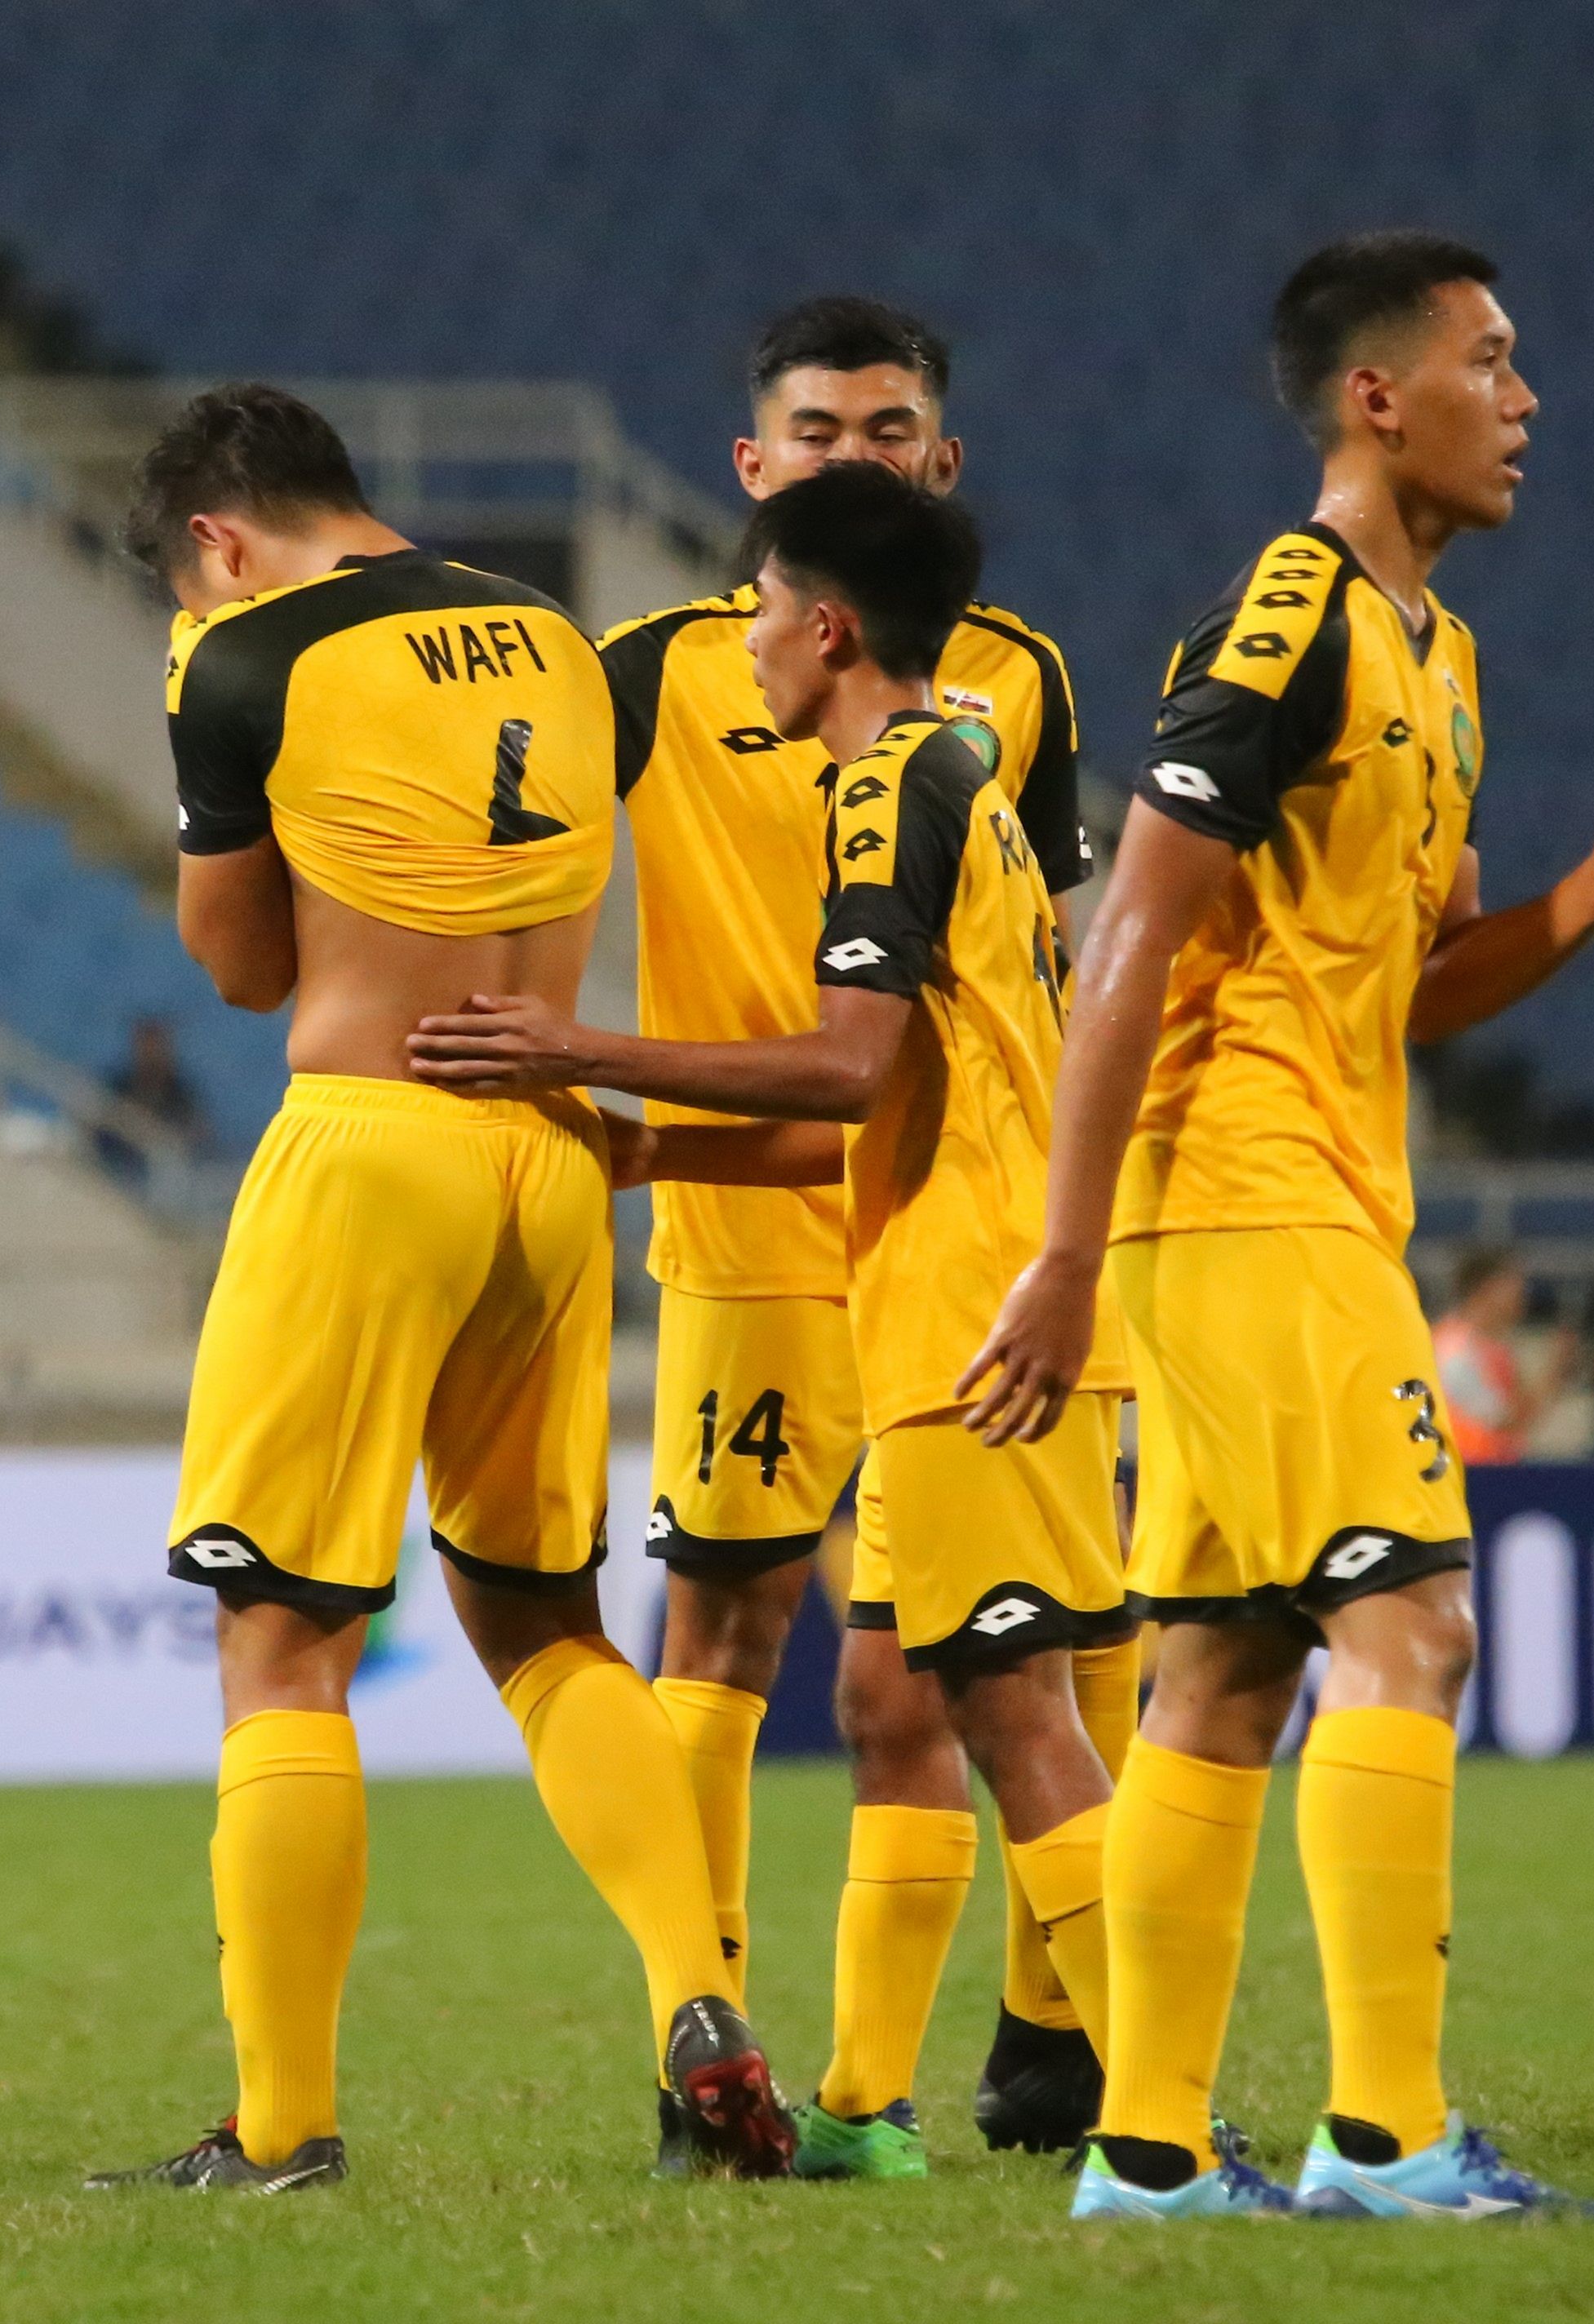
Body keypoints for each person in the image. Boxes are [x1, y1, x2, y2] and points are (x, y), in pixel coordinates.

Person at [959, 231, 1594, 2222]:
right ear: (1378, 398)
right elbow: (1129, 930)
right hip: (1245, 1195)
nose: (1525, 398)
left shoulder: (1439, 659)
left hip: (1285, 1195)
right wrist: (1061, 1253)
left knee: (1226, 1671)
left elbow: (1402, 987)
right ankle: (1387, 2131)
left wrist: (1567, 908)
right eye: (1491, 358)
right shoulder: (1289, 612)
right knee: (1416, 1623)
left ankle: (1148, 2153)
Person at [83, 385, 788, 2195]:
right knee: (549, 1626)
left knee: (281, 1639)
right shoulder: (551, 630)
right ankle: (696, 1994)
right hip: (548, 1156)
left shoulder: (242, 653)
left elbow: (241, 967)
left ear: (217, 540)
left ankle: (280, 2127)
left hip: (370, 1138)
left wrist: (211, 701)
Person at [413, 466, 1130, 2185]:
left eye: (759, 612)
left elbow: (845, 1066)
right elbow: (884, 1110)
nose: (742, 645)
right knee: (946, 1697)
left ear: (826, 624)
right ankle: (887, 2110)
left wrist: (579, 1048)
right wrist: (658, 1148)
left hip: (964, 1309)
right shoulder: (962, 779)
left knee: (1017, 1712)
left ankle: (1170, 2110)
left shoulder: (884, 792)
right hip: (970, 1288)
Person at [590, 296, 1122, 2169]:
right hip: (757, 1232)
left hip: (939, 1229)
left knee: (985, 1665)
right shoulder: (656, 669)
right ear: (753, 467)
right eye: (816, 432)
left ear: (941, 461)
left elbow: (1037, 964)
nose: (852, 456)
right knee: (731, 1625)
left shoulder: (1009, 687)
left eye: (887, 430)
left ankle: (1062, 2062)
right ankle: (704, 2044)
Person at [1430, 1244, 1571, 1466]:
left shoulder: (1495, 1347)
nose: (1522, 1294)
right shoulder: (1452, 1350)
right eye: (1512, 1284)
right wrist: (1555, 1371)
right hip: (1468, 1473)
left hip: (1497, 1471)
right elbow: (1507, 1422)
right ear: (1487, 1288)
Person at [93, 1013, 205, 1185]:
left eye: (156, 1047)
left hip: (164, 1176)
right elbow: (100, 1126)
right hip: (117, 1168)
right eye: (146, 1046)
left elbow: (197, 1134)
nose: (151, 1053)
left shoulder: (181, 1096)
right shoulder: (120, 1088)